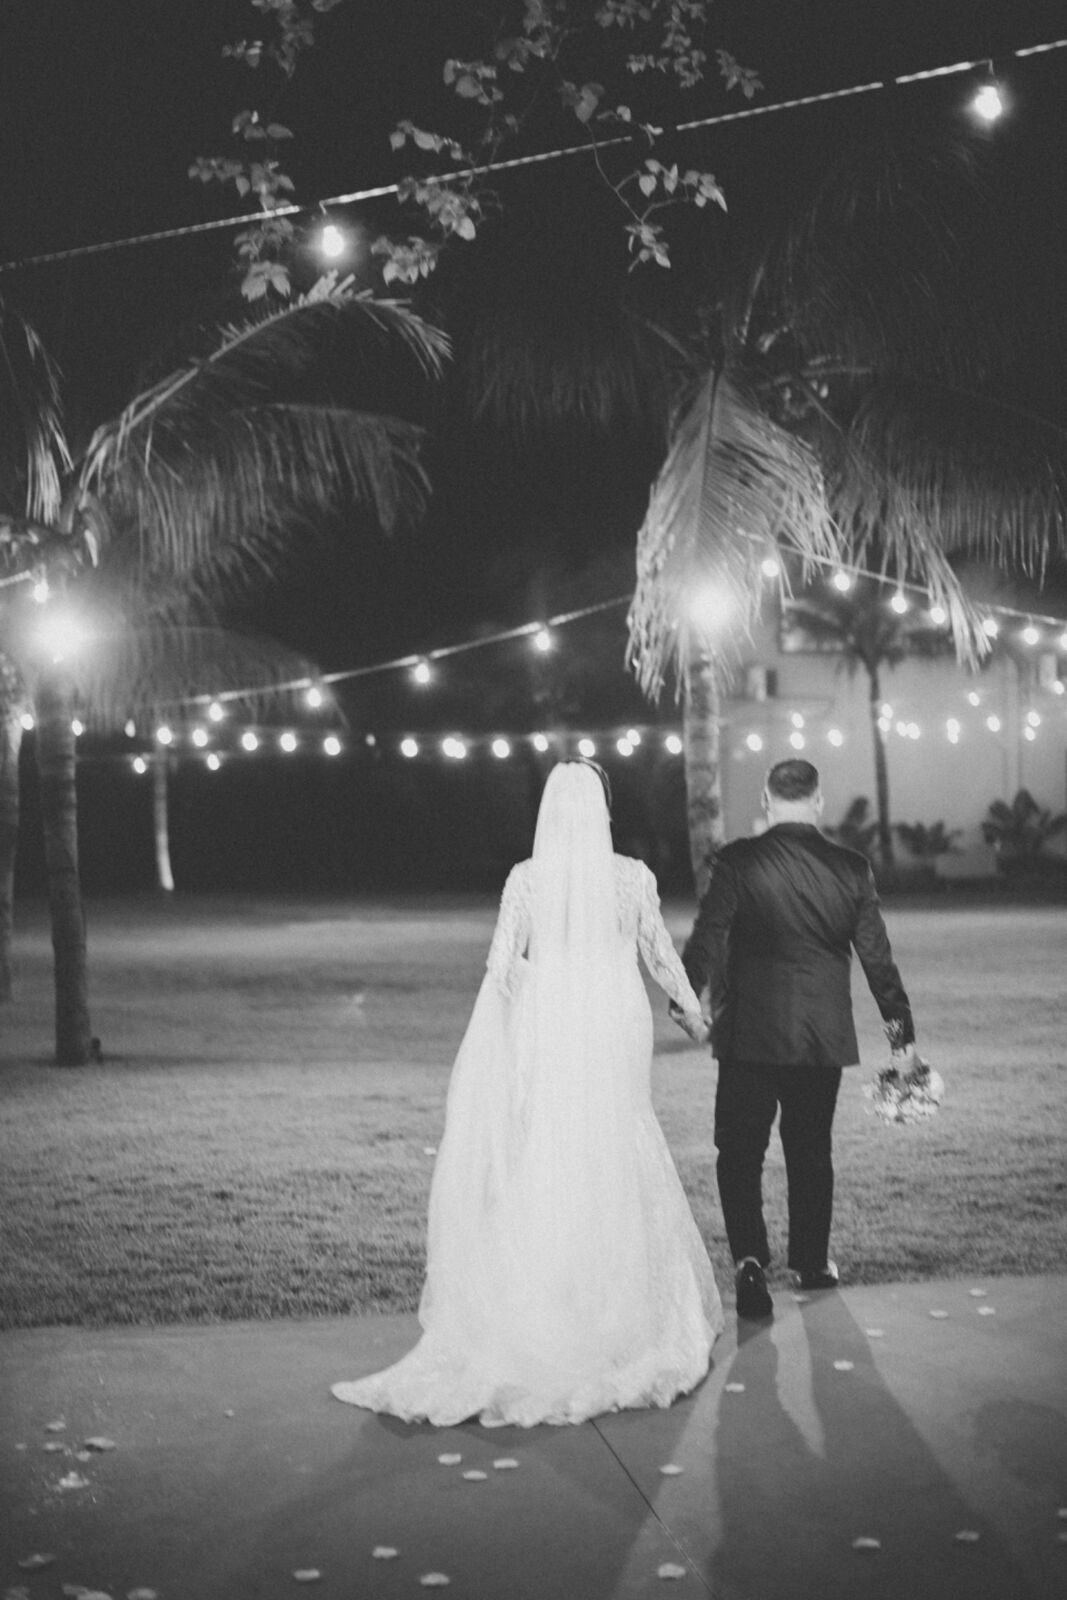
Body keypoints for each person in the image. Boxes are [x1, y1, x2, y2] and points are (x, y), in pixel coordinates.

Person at [332, 759, 723, 1426]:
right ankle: (615, 1305)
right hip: (612, 1020)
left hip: (550, 1024)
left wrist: (507, 1040)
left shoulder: (526, 880)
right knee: (615, 1138)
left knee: (548, 1145)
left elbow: (501, 967)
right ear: (599, 809)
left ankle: (552, 1298)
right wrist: (690, 1010)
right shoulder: (630, 877)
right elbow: (659, 954)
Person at [675, 758, 917, 1321]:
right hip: (819, 1037)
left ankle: (750, 1263)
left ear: (766, 799)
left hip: (749, 1035)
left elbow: (707, 935)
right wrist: (902, 1041)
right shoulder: (851, 868)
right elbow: (878, 960)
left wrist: (685, 1002)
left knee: (739, 1153)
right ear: (818, 800)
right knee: (810, 1152)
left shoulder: (735, 861)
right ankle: (810, 1263)